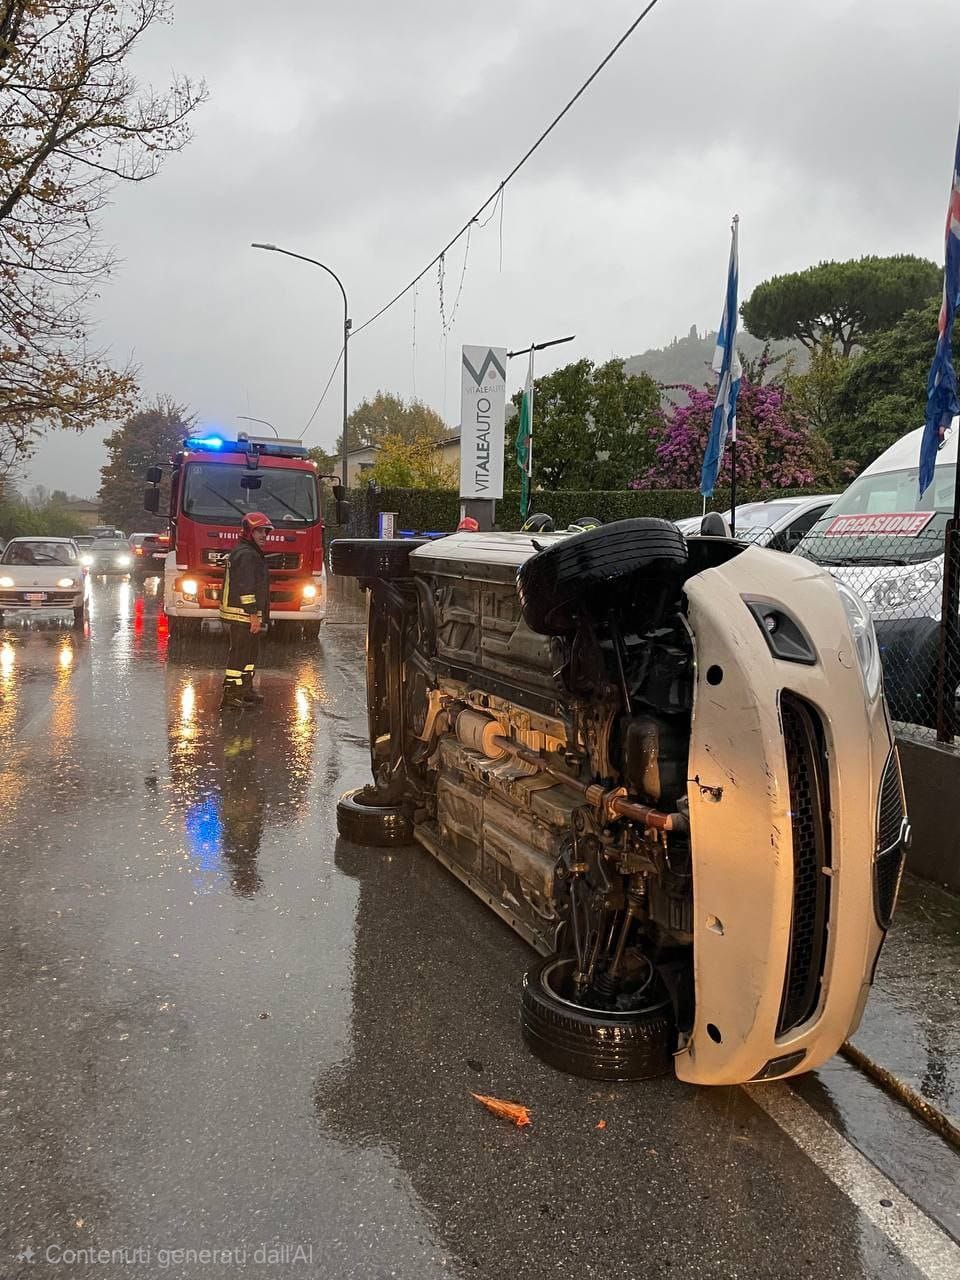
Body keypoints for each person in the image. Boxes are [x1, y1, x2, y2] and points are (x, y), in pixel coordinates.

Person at [220, 511, 272, 709]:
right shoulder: (246, 554)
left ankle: (245, 689)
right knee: (240, 653)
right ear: (249, 532)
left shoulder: (250, 552)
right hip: (241, 614)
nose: (263, 536)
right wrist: (252, 615)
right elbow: (246, 588)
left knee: (250, 653)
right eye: (258, 531)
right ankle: (231, 695)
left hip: (246, 614)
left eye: (265, 532)